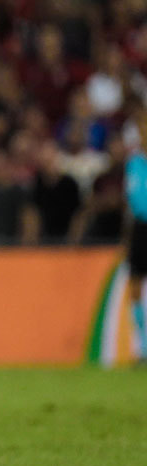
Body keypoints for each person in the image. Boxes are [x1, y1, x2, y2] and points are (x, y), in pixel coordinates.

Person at [125, 105, 147, 362]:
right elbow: (131, 200)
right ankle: (140, 345)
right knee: (135, 285)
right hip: (140, 227)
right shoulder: (134, 163)